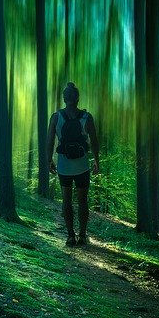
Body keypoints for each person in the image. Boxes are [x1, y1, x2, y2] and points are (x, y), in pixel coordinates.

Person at [46, 82, 100, 246]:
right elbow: (94, 142)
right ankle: (82, 235)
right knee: (83, 201)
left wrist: (49, 160)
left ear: (64, 99)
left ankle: (70, 236)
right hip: (82, 166)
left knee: (66, 201)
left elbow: (49, 141)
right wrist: (97, 161)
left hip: (64, 166)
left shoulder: (56, 117)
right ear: (77, 98)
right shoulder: (87, 117)